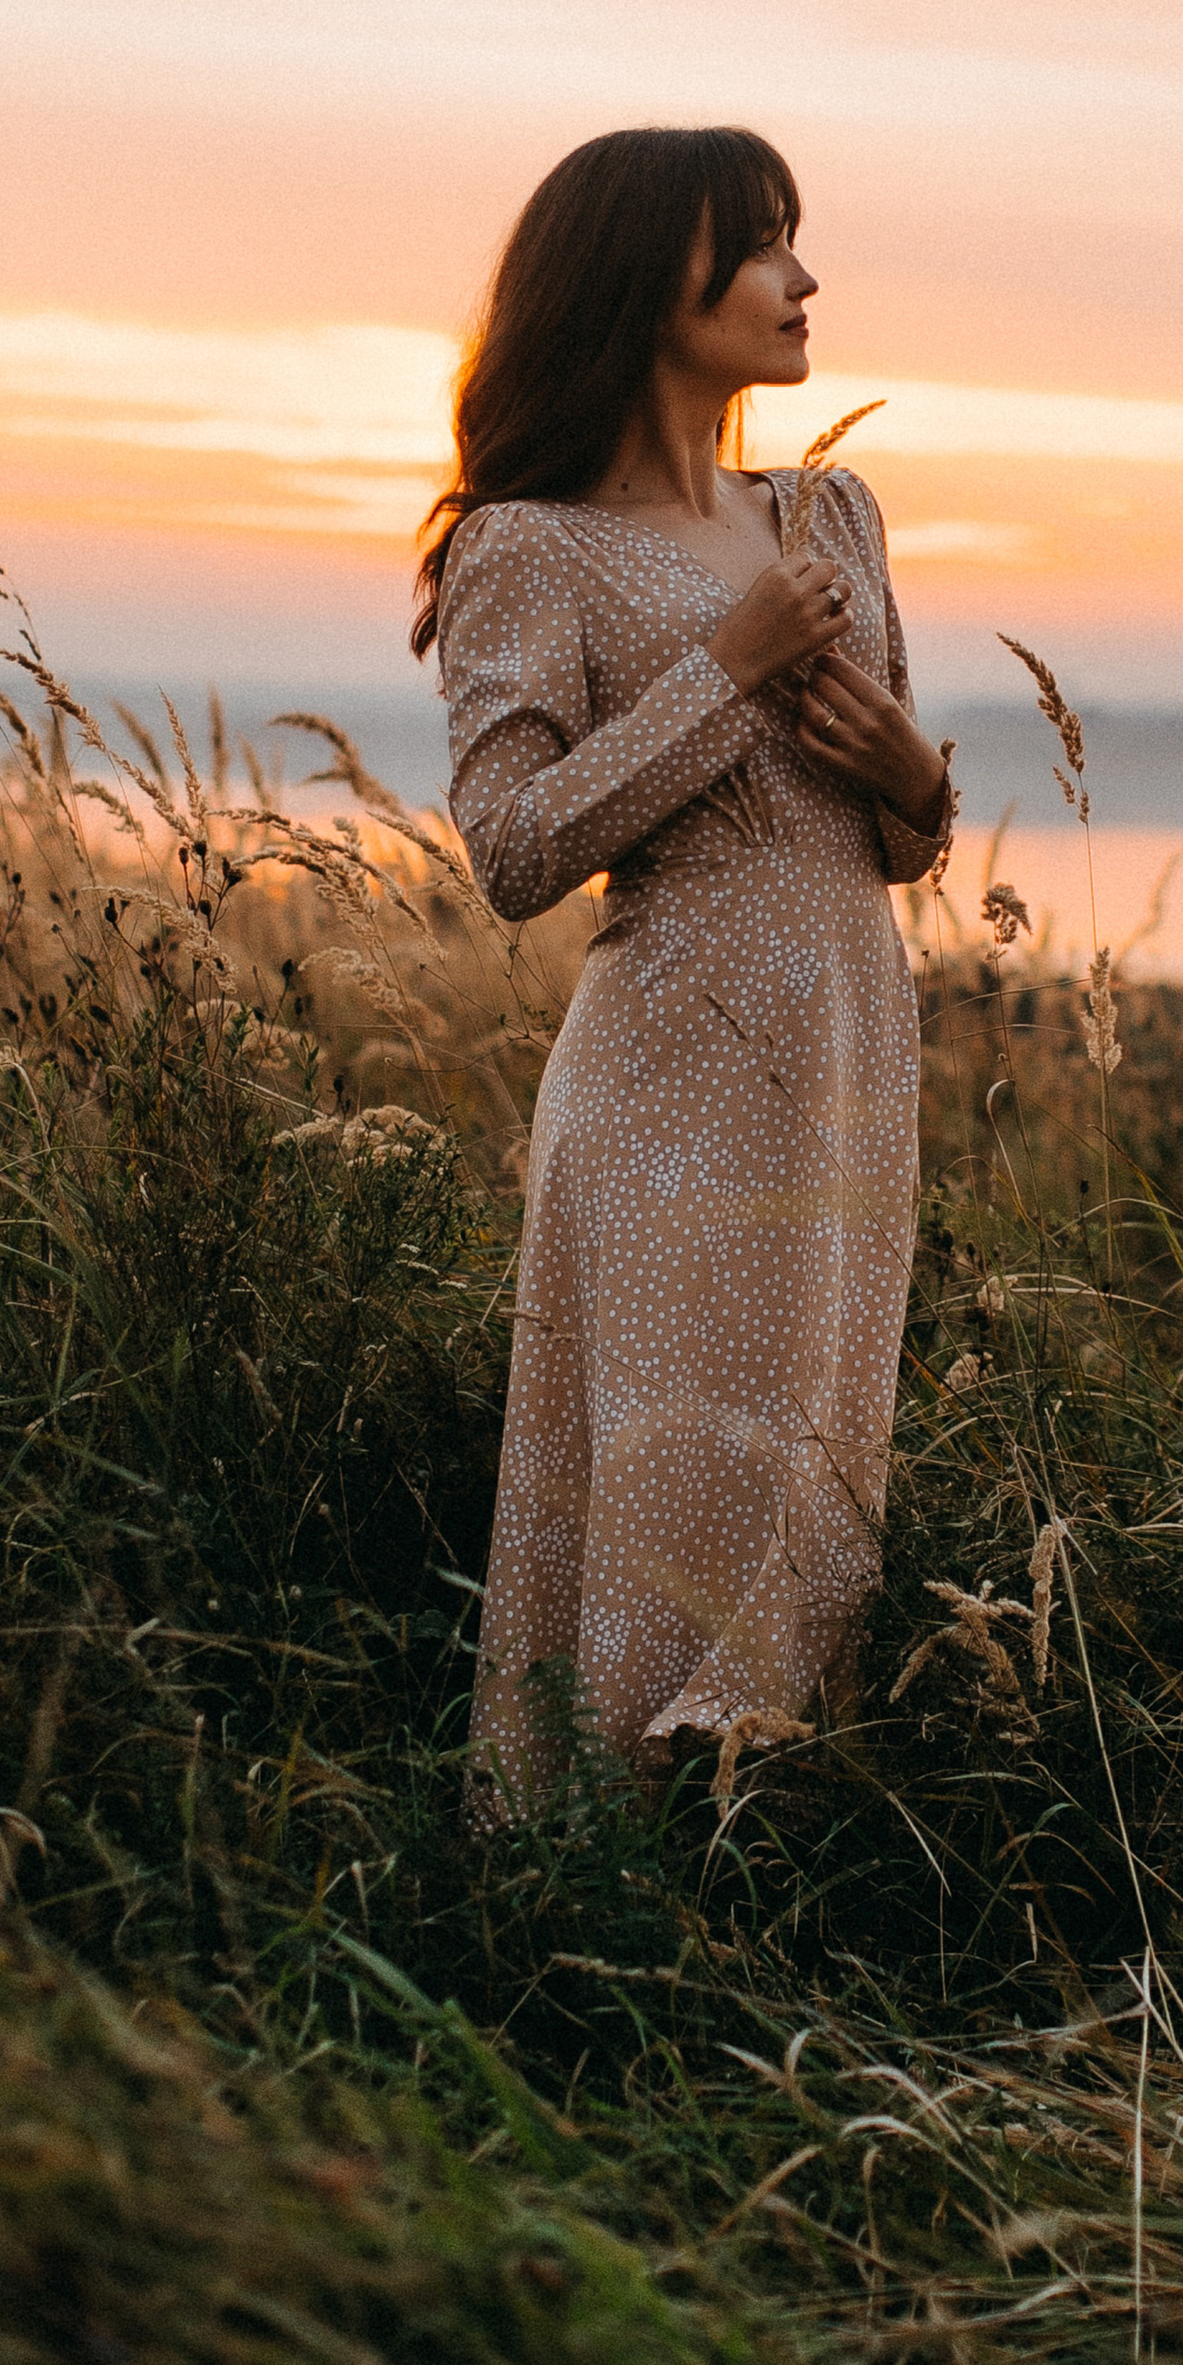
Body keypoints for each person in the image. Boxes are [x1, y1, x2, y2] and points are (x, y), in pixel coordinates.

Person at [414, 125, 954, 1808]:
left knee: (816, 1484)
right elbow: (513, 851)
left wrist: (909, 775)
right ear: (659, 281)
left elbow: (903, 839)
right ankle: (600, 1892)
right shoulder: (531, 547)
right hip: (670, 1086)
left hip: (854, 1060)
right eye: (766, 248)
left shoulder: (831, 515)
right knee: (675, 1489)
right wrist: (725, 670)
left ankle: (767, 1872)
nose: (804, 282)